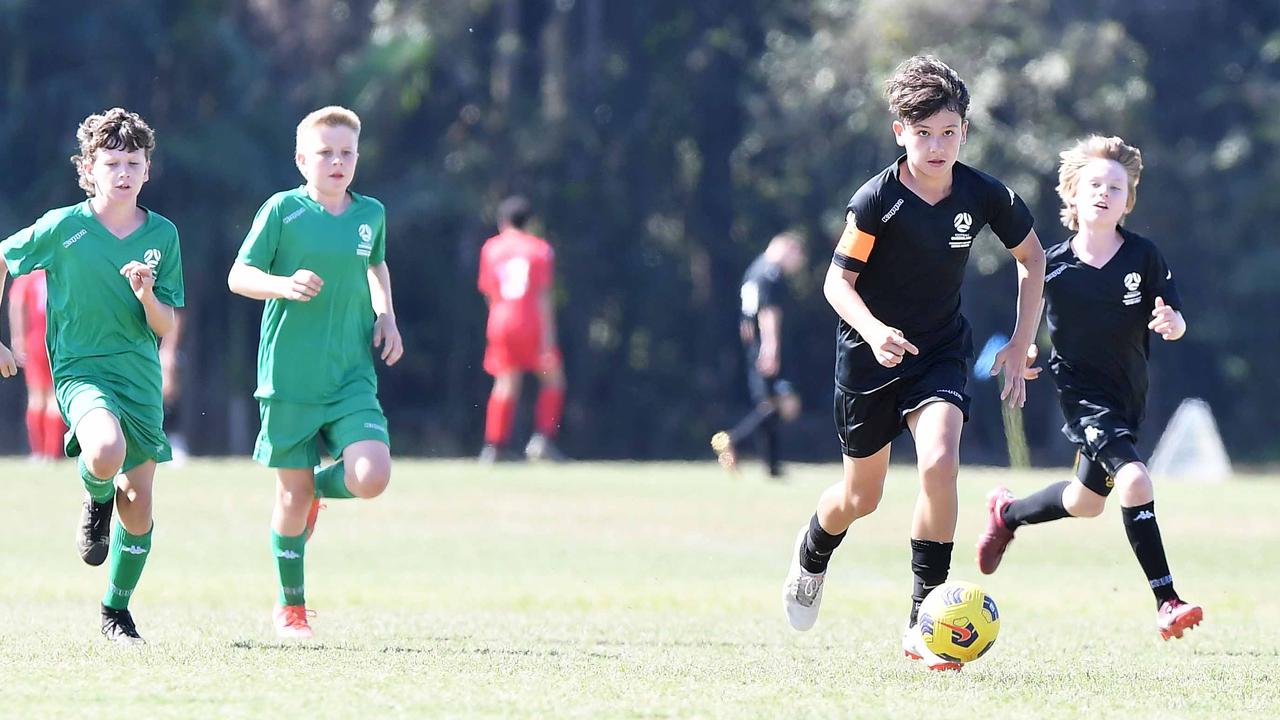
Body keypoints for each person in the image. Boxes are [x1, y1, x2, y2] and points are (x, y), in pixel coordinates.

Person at [779, 56, 1046, 671]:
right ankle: (814, 548)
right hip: (870, 359)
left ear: (965, 133)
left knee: (940, 460)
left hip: (940, 354)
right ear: (899, 131)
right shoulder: (878, 200)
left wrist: (1018, 340)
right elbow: (835, 284)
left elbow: (1032, 259)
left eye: (948, 132)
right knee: (860, 497)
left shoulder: (984, 195)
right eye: (922, 132)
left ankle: (923, 619)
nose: (936, 145)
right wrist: (874, 333)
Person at [975, 135, 1203, 641]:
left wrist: (1171, 322)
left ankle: (1007, 514)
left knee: (1085, 501)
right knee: (1136, 480)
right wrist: (1027, 353)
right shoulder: (1049, 265)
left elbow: (1178, 317)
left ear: (1129, 200)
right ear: (1073, 194)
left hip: (1128, 398)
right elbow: (1029, 328)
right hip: (1082, 396)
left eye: (1116, 187)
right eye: (1095, 184)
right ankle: (1167, 601)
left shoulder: (1144, 256)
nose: (1105, 193)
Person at [0, 108, 184, 644]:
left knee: (141, 504)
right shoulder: (64, 227)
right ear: (88, 169)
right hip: (81, 372)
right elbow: (4, 258)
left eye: (133, 162)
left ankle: (115, 612)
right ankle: (96, 497)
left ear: (148, 169)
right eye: (111, 163)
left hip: (139, 377)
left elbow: (164, 324)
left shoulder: (164, 236)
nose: (123, 172)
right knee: (104, 450)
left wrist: (146, 292)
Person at [227, 105, 403, 639]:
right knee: (289, 497)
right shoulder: (283, 210)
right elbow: (239, 275)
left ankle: (318, 493)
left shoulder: (370, 212)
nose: (337, 161)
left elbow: (374, 263)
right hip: (288, 377)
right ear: (302, 159)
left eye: (347, 152)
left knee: (372, 475)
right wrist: (283, 285)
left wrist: (386, 314)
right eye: (325, 152)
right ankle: (291, 609)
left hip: (350, 373)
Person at [476, 195, 566, 463]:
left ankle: (494, 446)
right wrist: (548, 340)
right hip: (530, 320)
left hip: (500, 320)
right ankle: (543, 439)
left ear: (502, 221)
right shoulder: (539, 249)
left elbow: (489, 292)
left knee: (505, 383)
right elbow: (542, 296)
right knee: (553, 378)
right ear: (529, 223)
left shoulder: (491, 248)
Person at [711, 232, 806, 478]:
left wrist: (755, 346)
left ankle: (772, 467)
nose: (796, 265)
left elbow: (746, 320)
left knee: (769, 405)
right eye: (797, 257)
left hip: (755, 346)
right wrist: (771, 348)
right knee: (782, 406)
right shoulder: (771, 274)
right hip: (768, 347)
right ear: (788, 249)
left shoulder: (753, 270)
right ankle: (732, 440)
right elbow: (768, 313)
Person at [7, 268, 66, 460]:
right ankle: (51, 453)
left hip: (35, 339)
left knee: (37, 396)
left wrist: (17, 338)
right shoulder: (60, 271)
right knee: (53, 397)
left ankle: (39, 452)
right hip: (60, 339)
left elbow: (16, 304)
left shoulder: (28, 275)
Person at [159, 308, 188, 463]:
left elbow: (175, 316)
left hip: (164, 353)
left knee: (169, 397)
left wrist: (169, 350)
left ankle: (173, 442)